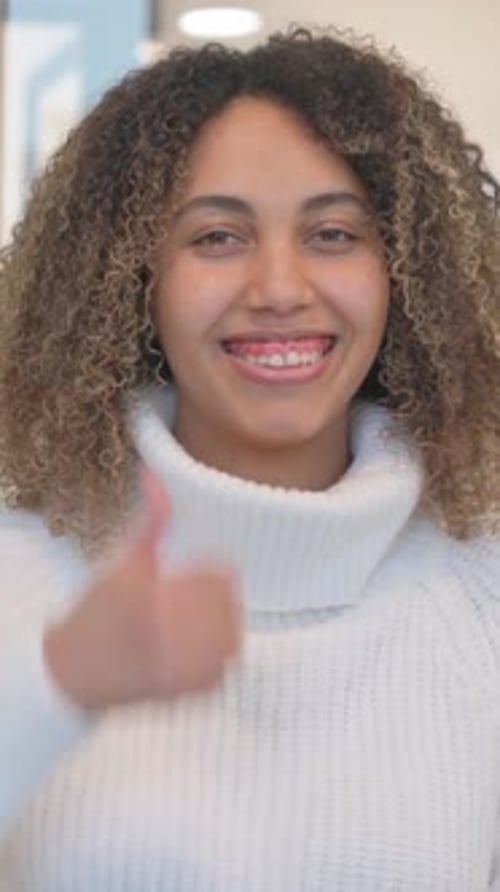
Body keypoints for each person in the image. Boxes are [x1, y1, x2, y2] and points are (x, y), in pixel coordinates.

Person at [0, 24, 499, 891]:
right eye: (216, 238)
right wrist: (54, 687)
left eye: (334, 234)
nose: (277, 288)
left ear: (406, 271)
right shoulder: (20, 567)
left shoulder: (480, 587)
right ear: (133, 278)